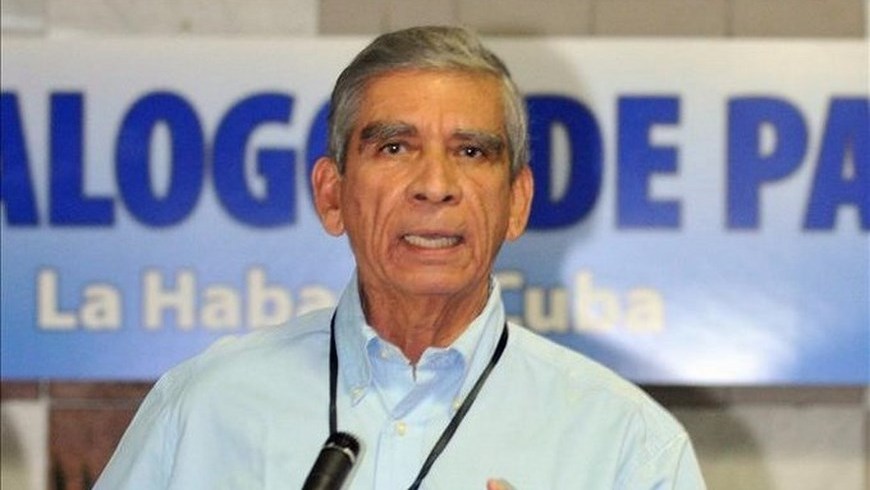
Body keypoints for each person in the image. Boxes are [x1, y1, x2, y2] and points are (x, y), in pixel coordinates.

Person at [95, 26, 706, 489]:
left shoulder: (628, 447)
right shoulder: (204, 410)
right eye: (394, 147)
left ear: (517, 202)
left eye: (471, 152)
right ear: (331, 195)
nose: (435, 185)